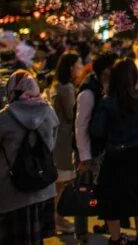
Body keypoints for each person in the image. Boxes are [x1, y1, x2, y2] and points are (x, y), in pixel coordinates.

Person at [0, 70, 60, 245]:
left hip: (13, 193)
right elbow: (52, 144)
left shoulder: (2, 118)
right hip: (42, 189)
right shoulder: (49, 112)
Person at [91, 59, 138, 244]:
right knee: (137, 193)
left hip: (116, 152)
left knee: (111, 196)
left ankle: (116, 238)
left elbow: (97, 130)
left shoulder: (108, 101)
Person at [73, 51, 117, 242]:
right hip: (89, 152)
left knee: (105, 190)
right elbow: (80, 126)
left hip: (103, 149)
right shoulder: (88, 92)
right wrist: (85, 157)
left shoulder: (104, 87)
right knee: (83, 191)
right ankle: (81, 233)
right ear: (104, 70)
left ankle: (108, 223)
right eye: (111, 67)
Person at [51, 52, 82, 234]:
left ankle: (56, 217)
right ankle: (55, 218)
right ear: (70, 67)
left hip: (57, 136)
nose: (80, 68)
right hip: (63, 139)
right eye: (78, 65)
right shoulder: (67, 87)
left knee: (60, 182)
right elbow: (72, 114)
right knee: (61, 181)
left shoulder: (57, 85)